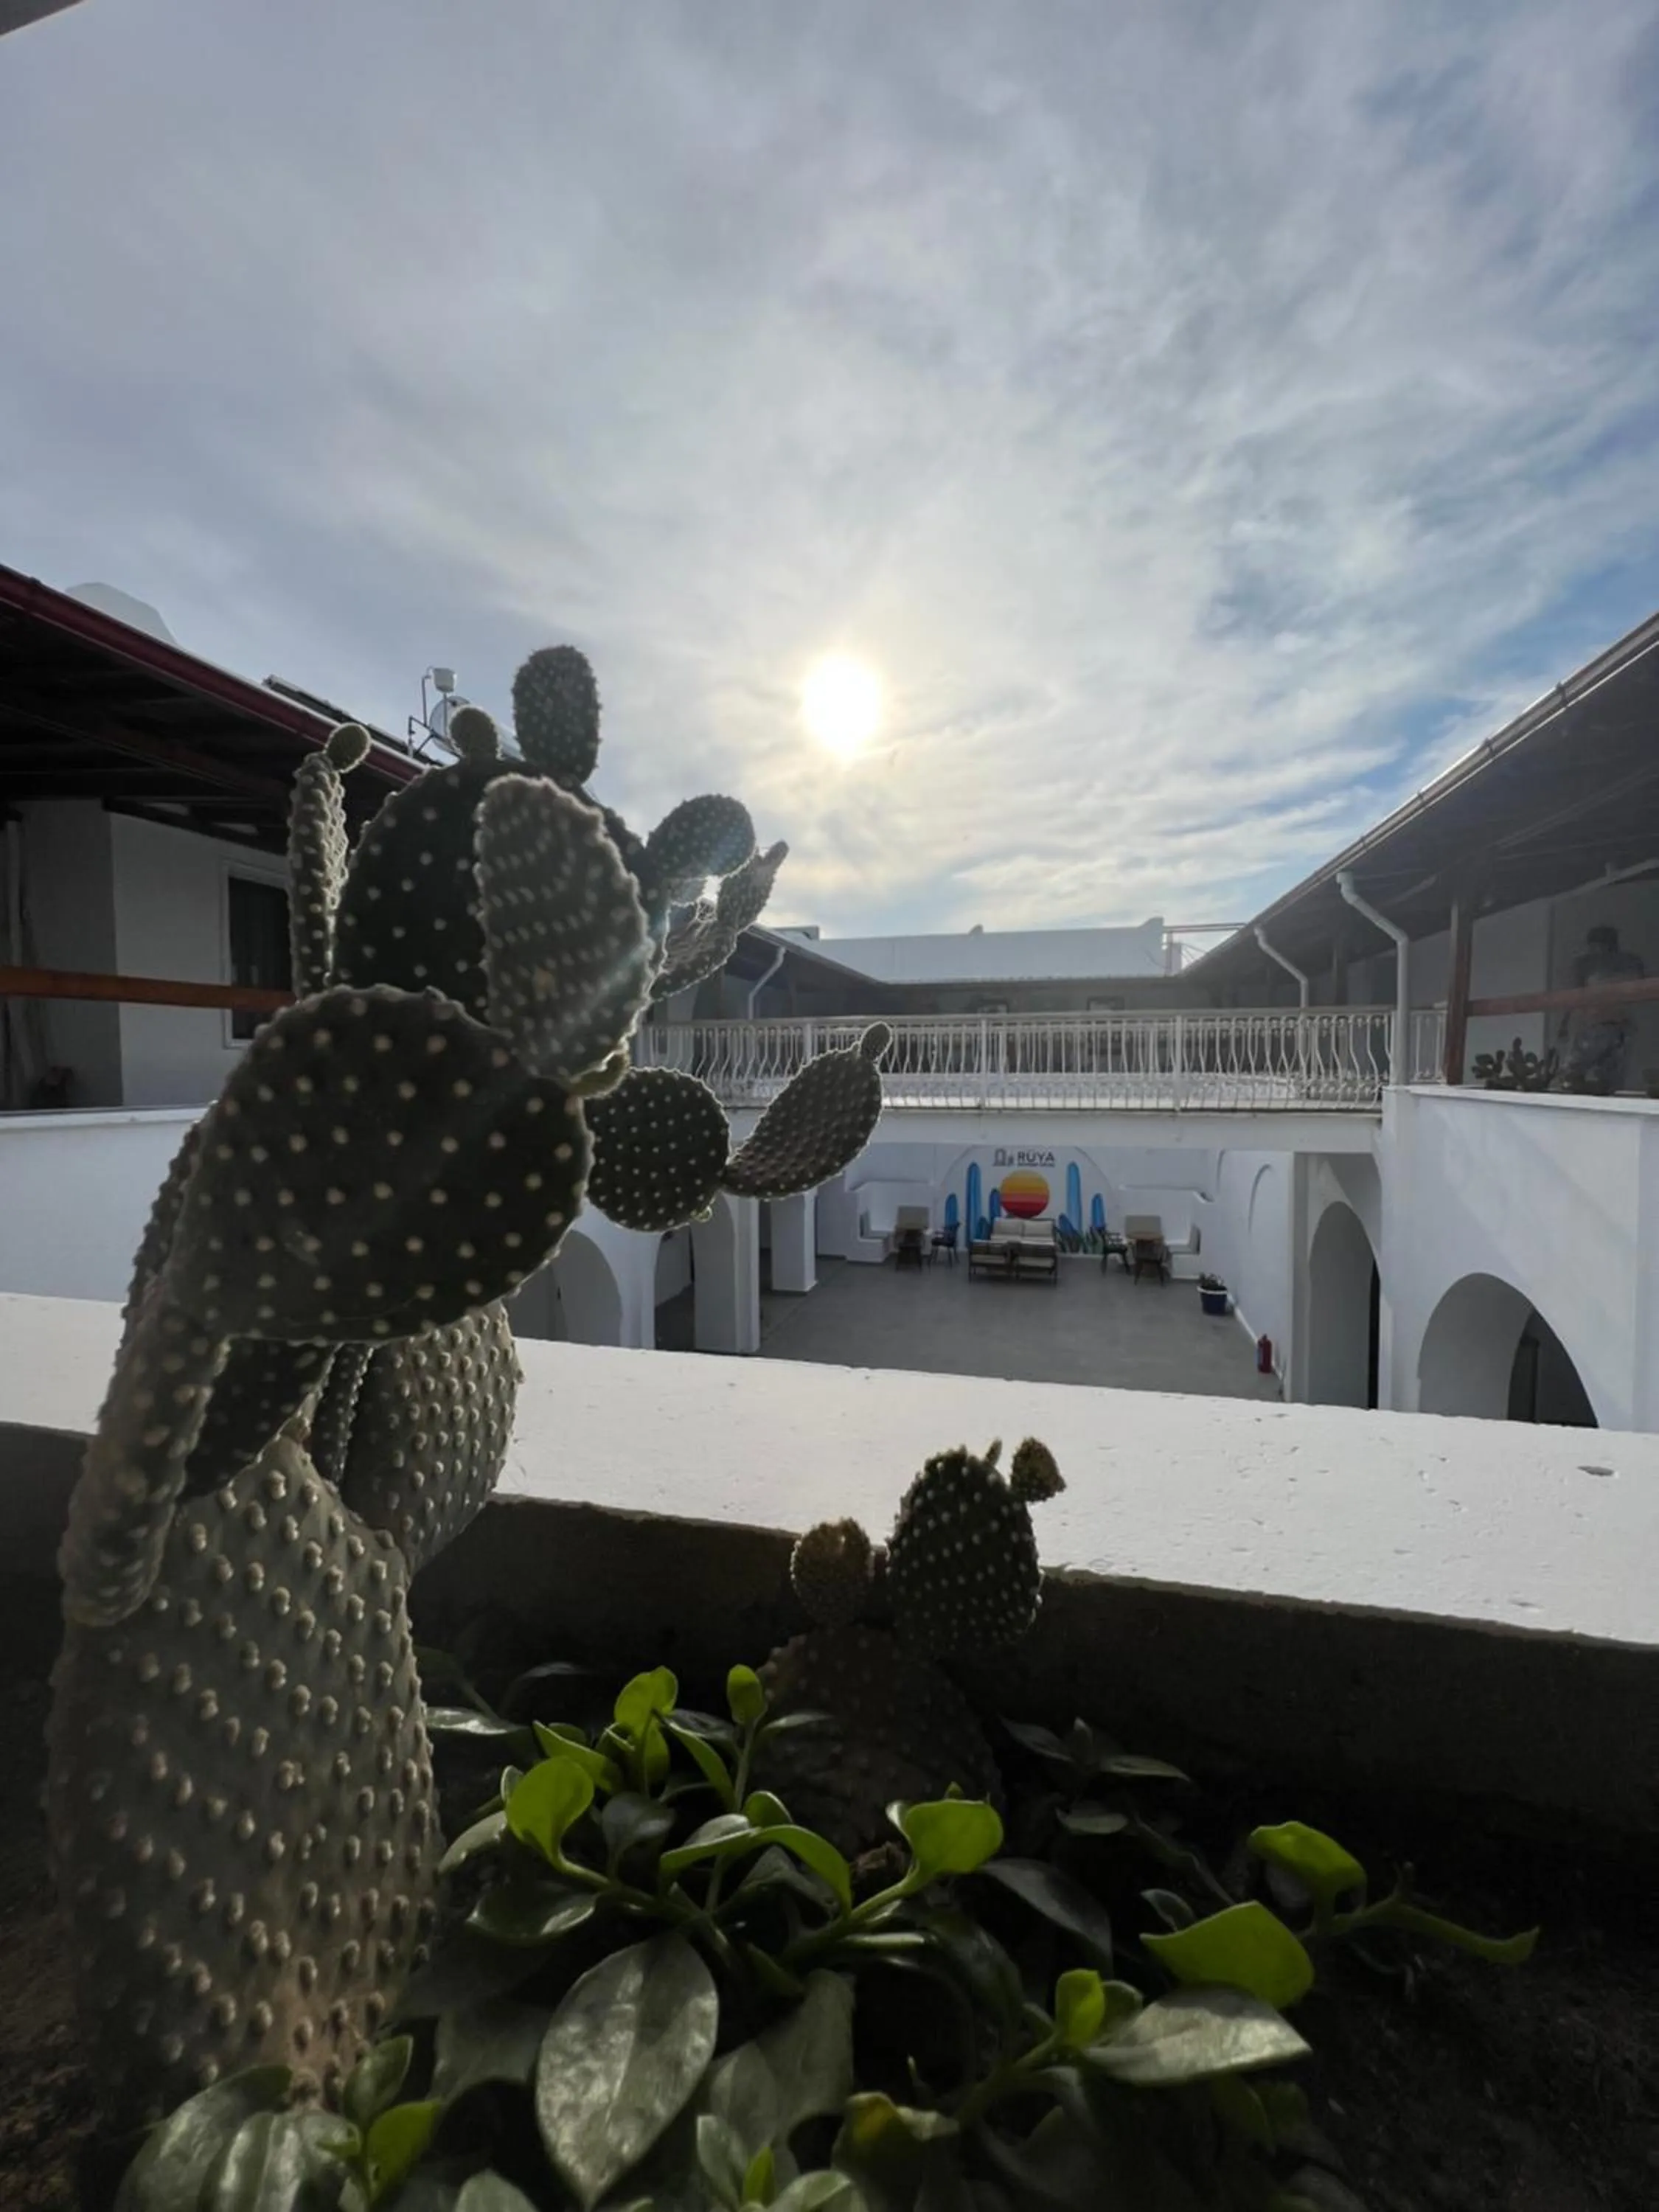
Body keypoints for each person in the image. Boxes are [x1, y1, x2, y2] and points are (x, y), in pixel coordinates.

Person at [1559, 925, 1644, 1092]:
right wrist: (1565, 1023)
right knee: (1573, 1073)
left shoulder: (1630, 962)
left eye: (1597, 944)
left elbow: (1641, 990)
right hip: (1598, 1025)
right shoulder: (1587, 963)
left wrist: (1564, 1023)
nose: (1595, 949)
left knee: (1607, 1077)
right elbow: (1574, 994)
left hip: (1619, 1027)